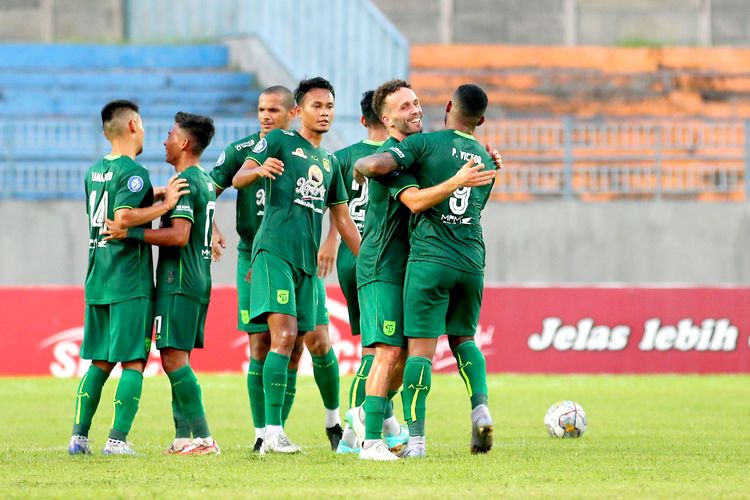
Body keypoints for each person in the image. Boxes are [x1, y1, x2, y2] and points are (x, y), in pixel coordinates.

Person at [347, 80, 497, 460]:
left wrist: (481, 161)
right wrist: (363, 166)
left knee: (399, 355)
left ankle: (366, 419)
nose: (415, 110)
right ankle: (370, 441)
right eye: (404, 107)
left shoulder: (417, 152)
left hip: (411, 265)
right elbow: (411, 199)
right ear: (386, 119)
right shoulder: (394, 157)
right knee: (383, 352)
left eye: (416, 103)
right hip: (381, 265)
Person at [232, 77, 361, 454]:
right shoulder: (279, 140)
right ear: (298, 111)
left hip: (307, 265)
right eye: (316, 106)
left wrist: (368, 258)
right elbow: (240, 177)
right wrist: (257, 171)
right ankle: (270, 433)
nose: (324, 113)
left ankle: (289, 430)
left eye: (329, 107)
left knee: (306, 344)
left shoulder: (330, 162)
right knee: (283, 338)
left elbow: (343, 219)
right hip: (273, 252)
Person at [68, 100, 188, 456]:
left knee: (101, 362)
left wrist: (153, 196)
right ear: (134, 125)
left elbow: (117, 203)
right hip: (129, 280)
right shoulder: (133, 171)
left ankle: (79, 437)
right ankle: (117, 441)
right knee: (134, 360)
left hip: (98, 277)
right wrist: (164, 206)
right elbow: (121, 216)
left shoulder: (93, 172)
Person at [105, 112, 220, 454]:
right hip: (196, 280)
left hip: (179, 281)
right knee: (178, 358)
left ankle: (203, 438)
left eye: (170, 134)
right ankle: (184, 437)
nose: (164, 140)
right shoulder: (202, 179)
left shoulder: (183, 182)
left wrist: (131, 232)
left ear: (184, 143)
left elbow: (180, 235)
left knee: (172, 360)